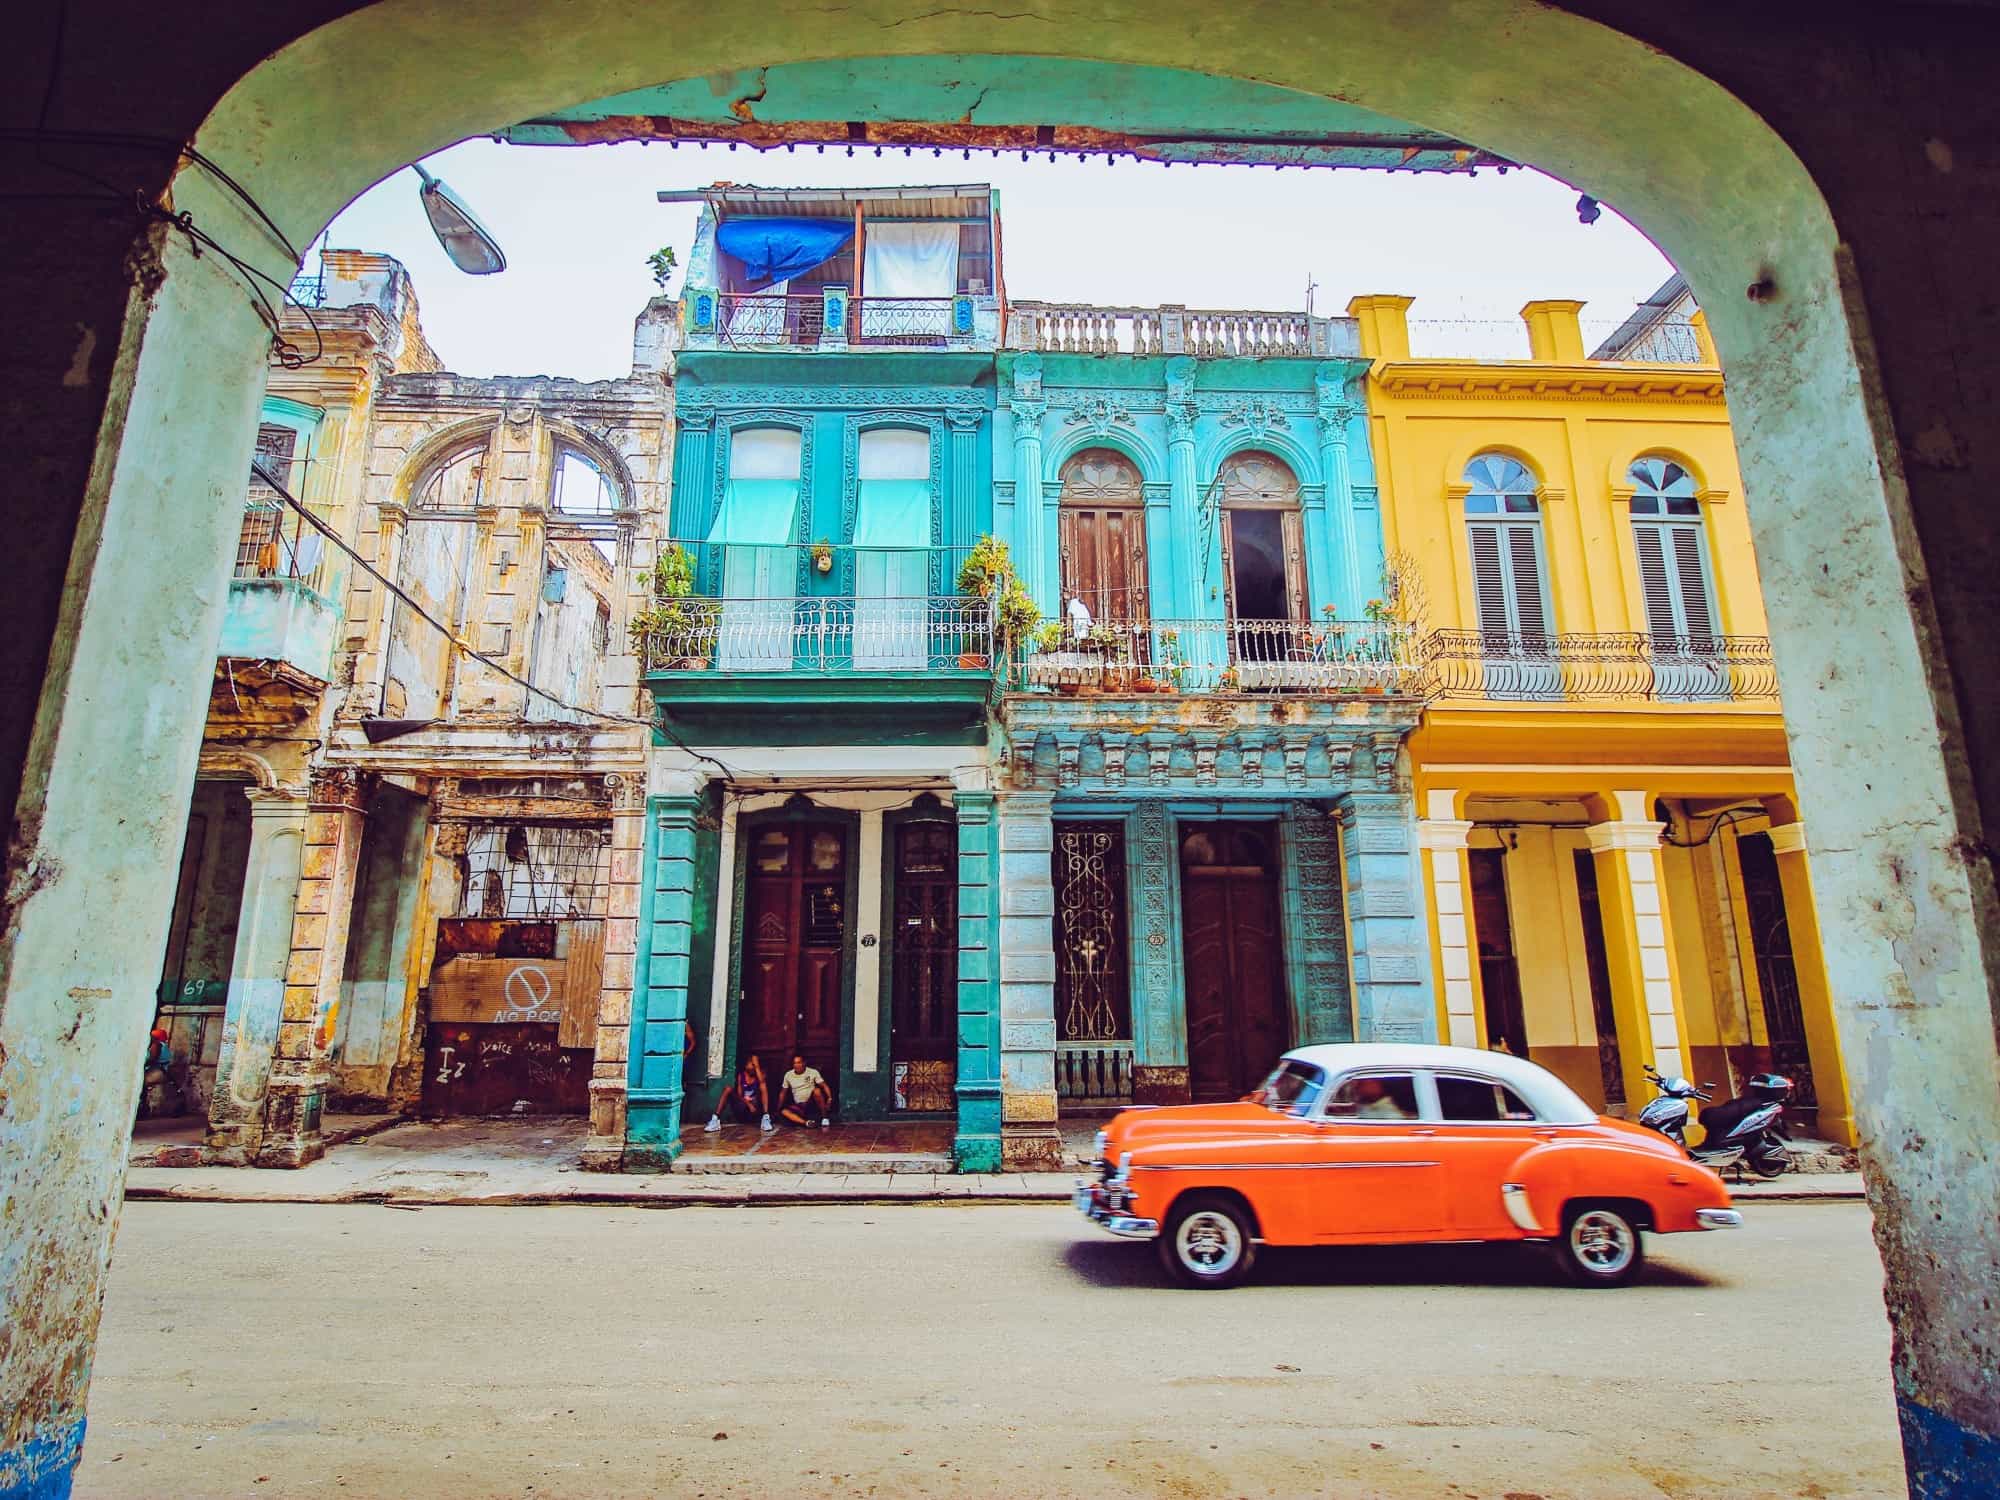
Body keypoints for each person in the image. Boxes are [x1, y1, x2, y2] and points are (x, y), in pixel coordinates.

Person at [705, 1053, 773, 1133]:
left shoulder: (760, 1074)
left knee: (763, 1085)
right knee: (728, 1089)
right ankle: (715, 1118)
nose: (753, 1067)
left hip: (756, 1107)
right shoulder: (742, 1075)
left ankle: (765, 1117)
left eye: (754, 1065)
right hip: (743, 1107)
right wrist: (748, 1104)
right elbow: (740, 1095)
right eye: (751, 1064)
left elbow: (762, 1082)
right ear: (746, 1065)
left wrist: (757, 1066)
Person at [779, 1053, 834, 1129]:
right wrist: (779, 1107)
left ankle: (825, 1118)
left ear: (804, 1063)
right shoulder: (788, 1075)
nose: (796, 1065)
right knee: (784, 1111)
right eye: (794, 1063)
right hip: (799, 1105)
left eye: (799, 1063)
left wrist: (829, 1098)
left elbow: (824, 1086)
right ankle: (806, 1123)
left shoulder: (813, 1072)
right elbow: (783, 1092)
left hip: (811, 1103)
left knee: (817, 1091)